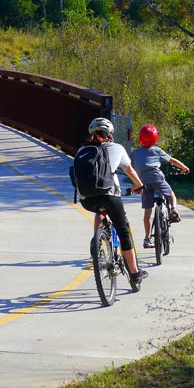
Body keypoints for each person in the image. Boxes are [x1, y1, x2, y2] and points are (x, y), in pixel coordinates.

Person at [77, 117, 149, 286]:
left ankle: (97, 242)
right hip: (110, 196)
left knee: (99, 211)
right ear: (110, 134)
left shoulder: (82, 150)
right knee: (123, 231)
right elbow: (129, 170)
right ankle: (135, 273)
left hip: (86, 199)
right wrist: (138, 185)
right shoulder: (117, 148)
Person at [130, 123, 191, 248]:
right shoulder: (157, 150)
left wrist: (135, 183)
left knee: (147, 212)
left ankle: (147, 238)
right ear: (155, 138)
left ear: (140, 138)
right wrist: (184, 168)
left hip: (143, 183)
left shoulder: (135, 153)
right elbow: (172, 160)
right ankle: (173, 209)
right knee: (171, 194)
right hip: (157, 178)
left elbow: (128, 167)